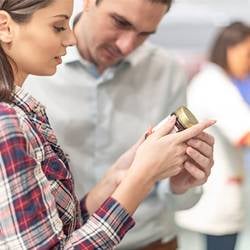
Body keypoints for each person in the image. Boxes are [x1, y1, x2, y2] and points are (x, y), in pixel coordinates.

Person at [0, 0, 215, 249]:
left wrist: (125, 178)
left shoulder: (167, 71)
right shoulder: (16, 109)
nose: (126, 45)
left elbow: (59, 226)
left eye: (144, 34)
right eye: (59, 26)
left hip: (148, 239)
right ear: (89, 3)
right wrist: (141, 175)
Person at [176, 21, 250, 250]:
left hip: (220, 190)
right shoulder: (215, 84)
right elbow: (245, 134)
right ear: (230, 49)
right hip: (216, 195)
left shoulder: (216, 81)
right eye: (248, 54)